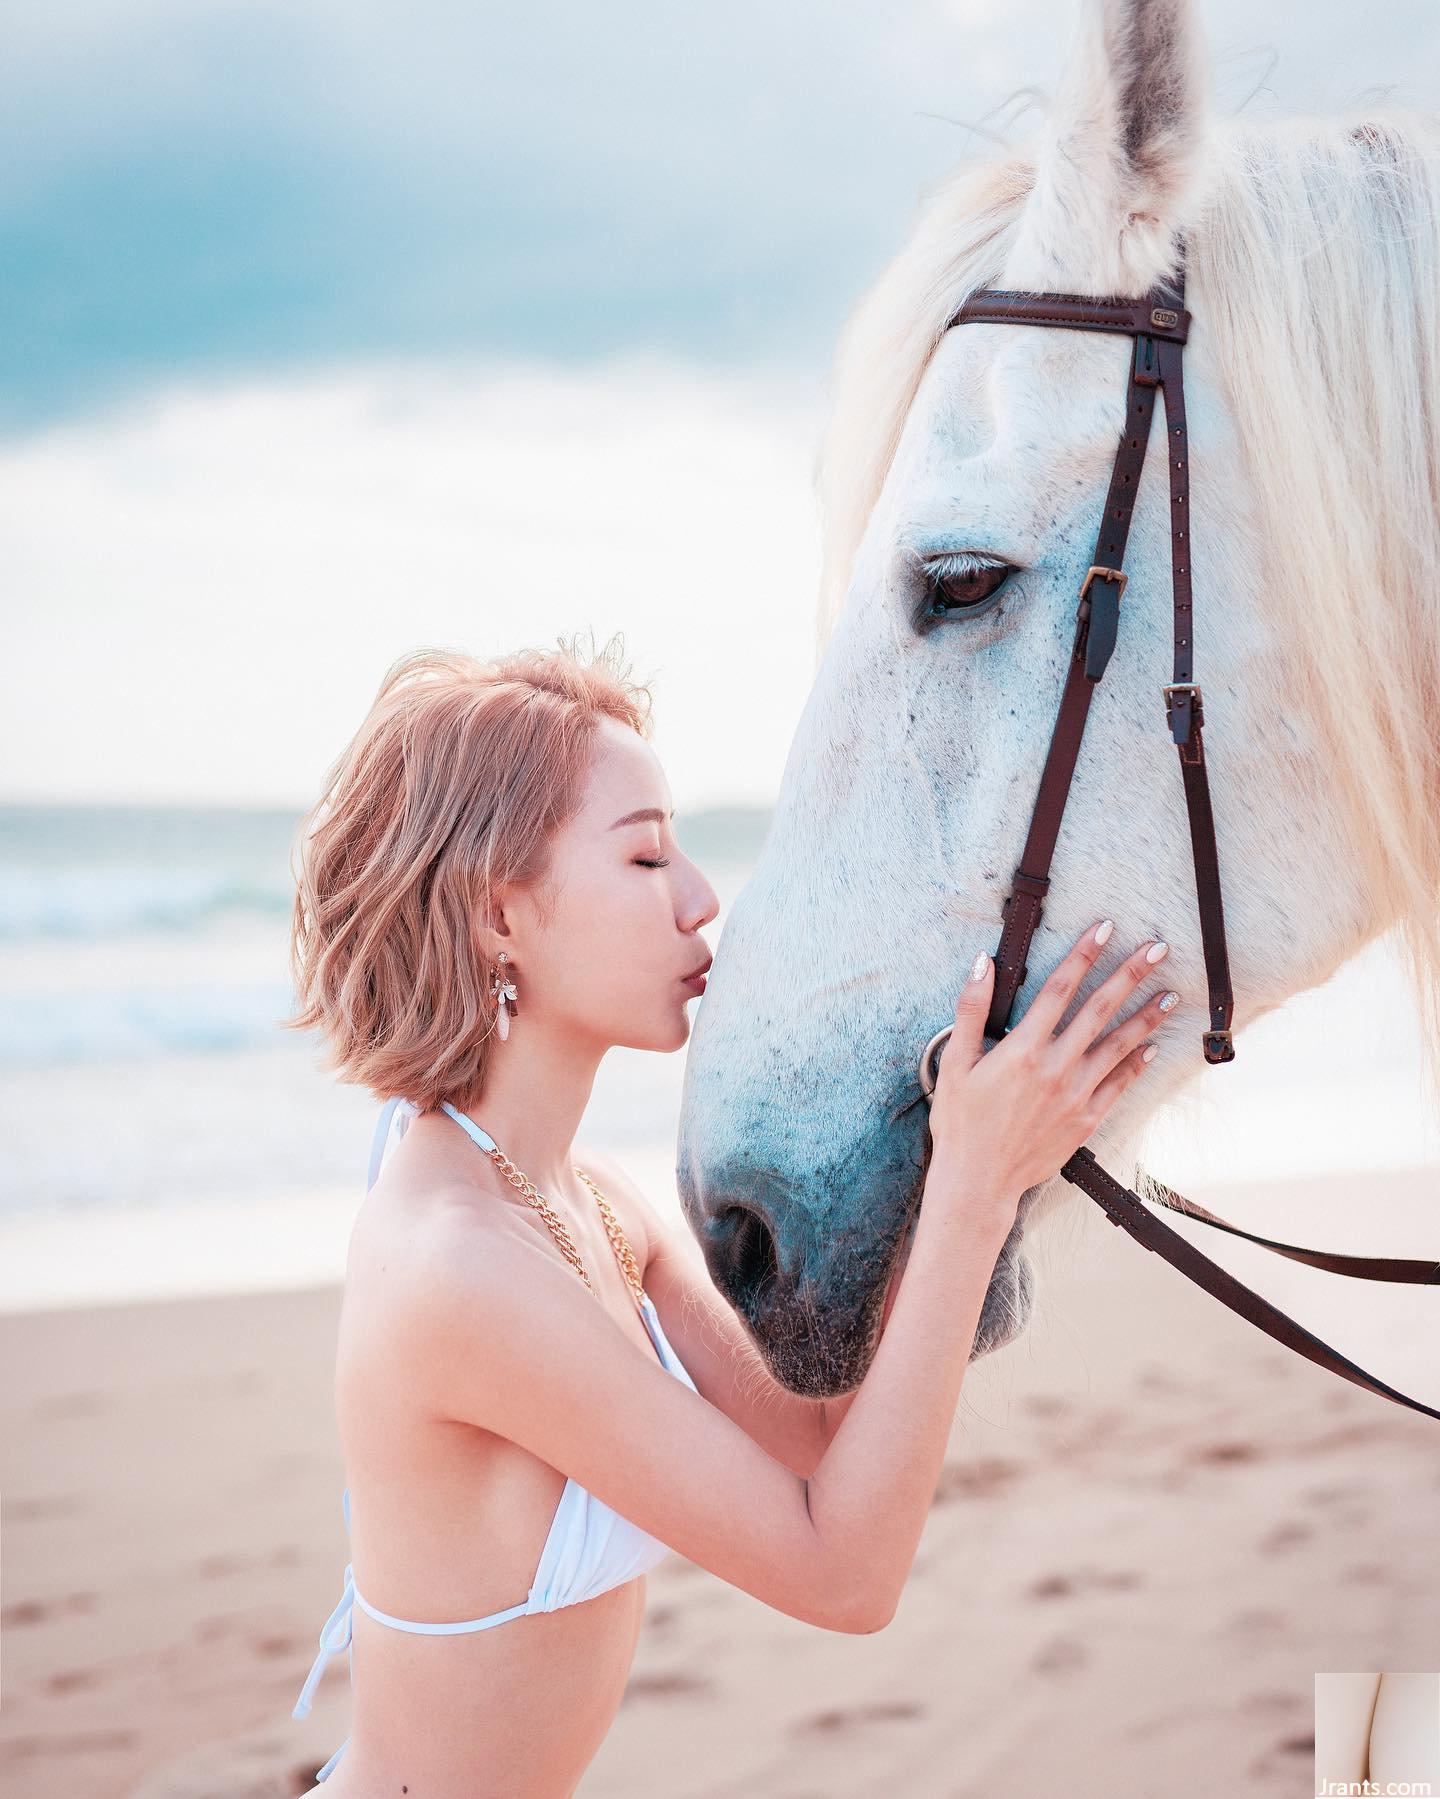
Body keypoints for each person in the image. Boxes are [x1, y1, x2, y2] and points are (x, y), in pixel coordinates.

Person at [283, 635, 1178, 1796]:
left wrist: (956, 1136)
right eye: (647, 856)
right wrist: (970, 1189)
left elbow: (814, 1444)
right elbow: (840, 1574)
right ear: (499, 911)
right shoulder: (461, 1264)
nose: (703, 899)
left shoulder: (584, 1197)